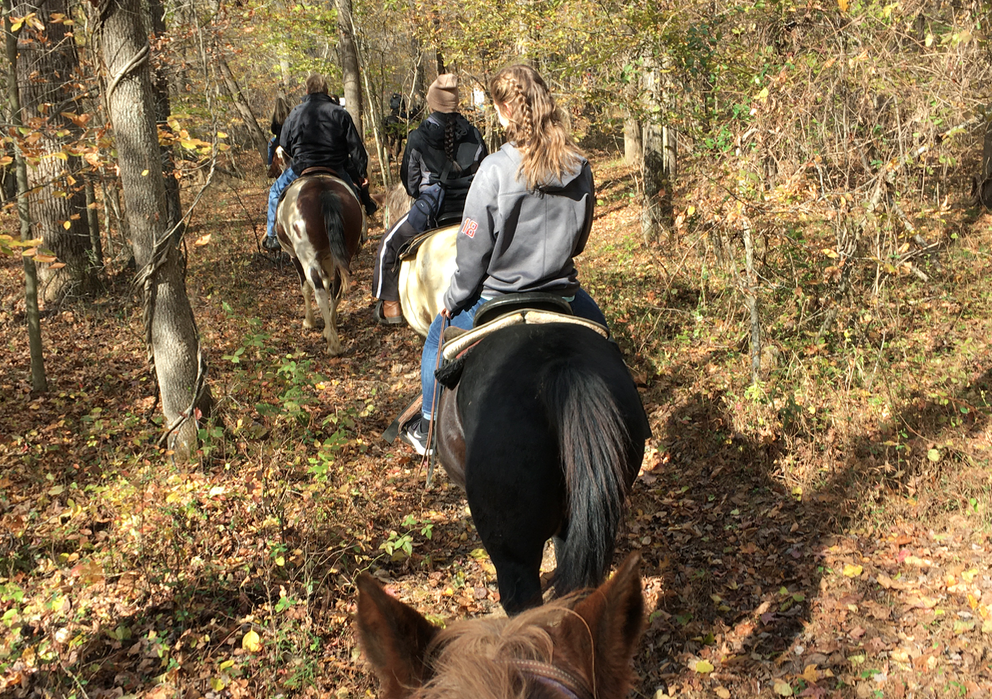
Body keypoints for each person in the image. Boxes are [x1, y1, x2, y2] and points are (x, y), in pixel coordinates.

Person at [400, 64, 609, 455]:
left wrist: (452, 300)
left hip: (496, 299)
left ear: (507, 111)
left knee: (435, 340)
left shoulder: (494, 170)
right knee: (606, 342)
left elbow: (473, 251)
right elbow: (578, 242)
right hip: (562, 296)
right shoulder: (579, 167)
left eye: (497, 108)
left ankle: (427, 426)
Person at [372, 74, 487, 324]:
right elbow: (484, 174)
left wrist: (425, 197)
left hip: (431, 211)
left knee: (389, 245)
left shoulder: (417, 136)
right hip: (472, 212)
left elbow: (410, 182)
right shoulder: (475, 135)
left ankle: (390, 306)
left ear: (432, 103)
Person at [263, 74, 377, 252]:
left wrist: (298, 154)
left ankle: (272, 236)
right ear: (326, 91)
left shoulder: (295, 113)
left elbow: (284, 143)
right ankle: (359, 231)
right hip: (336, 167)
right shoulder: (340, 113)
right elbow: (356, 148)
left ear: (307, 91)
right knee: (354, 195)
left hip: (302, 167)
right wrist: (362, 173)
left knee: (275, 191)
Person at [266, 94, 292, 175]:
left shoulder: (275, 115)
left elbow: (273, 130)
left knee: (270, 147)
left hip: (279, 139)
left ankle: (270, 166)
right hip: (289, 138)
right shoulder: (289, 112)